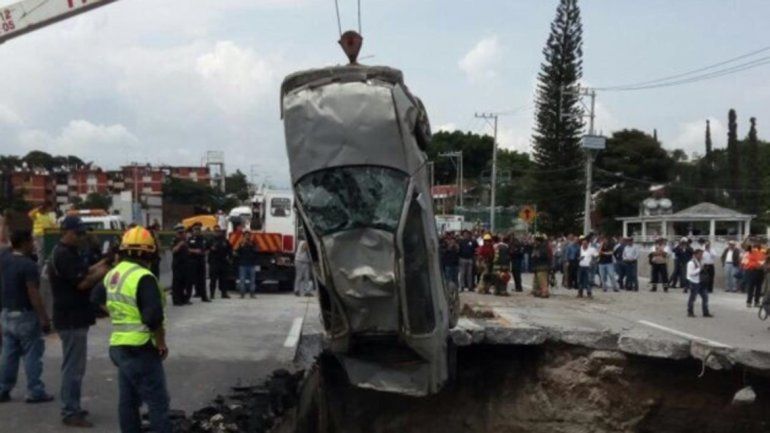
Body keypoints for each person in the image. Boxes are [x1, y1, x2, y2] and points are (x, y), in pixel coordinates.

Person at [92, 226, 171, 433]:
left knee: (128, 400)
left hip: (119, 347)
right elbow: (153, 318)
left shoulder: (113, 274)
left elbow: (96, 298)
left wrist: (118, 314)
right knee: (158, 402)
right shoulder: (144, 277)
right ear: (150, 253)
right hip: (141, 347)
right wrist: (161, 344)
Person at [49, 216, 109, 427]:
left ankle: (72, 406)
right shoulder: (64, 254)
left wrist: (105, 261)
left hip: (74, 317)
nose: (81, 237)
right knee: (73, 368)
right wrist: (106, 271)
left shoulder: (69, 253)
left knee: (74, 367)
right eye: (78, 233)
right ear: (67, 232)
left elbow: (86, 271)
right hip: (71, 318)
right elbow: (83, 283)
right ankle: (70, 410)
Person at [0, 230, 53, 404]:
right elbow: (33, 293)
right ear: (24, 243)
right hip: (25, 315)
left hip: (7, 313)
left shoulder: (5, 259)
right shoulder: (28, 265)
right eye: (31, 241)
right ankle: (34, 390)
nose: (34, 244)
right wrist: (44, 318)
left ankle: (3, 388)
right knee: (32, 354)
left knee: (9, 354)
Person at [186, 223, 210, 303]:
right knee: (190, 280)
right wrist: (194, 251)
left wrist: (206, 252)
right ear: (193, 230)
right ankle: (187, 297)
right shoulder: (190, 239)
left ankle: (204, 296)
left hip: (201, 261)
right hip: (192, 261)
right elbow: (186, 249)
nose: (197, 231)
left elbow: (208, 248)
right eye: (195, 229)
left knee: (202, 280)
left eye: (198, 229)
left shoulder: (203, 239)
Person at [207, 226, 232, 300]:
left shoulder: (224, 240)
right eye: (216, 231)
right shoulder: (210, 240)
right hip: (214, 262)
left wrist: (230, 258)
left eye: (218, 231)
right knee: (213, 279)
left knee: (224, 279)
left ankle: (224, 293)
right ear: (214, 232)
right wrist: (211, 249)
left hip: (223, 262)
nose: (217, 232)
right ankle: (212, 294)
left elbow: (230, 249)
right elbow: (205, 249)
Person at [686, 248, 712, 318]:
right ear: (695, 255)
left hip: (701, 282)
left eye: (702, 254)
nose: (701, 256)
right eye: (700, 254)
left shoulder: (700, 262)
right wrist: (699, 269)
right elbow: (691, 273)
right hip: (694, 282)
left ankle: (705, 312)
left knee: (705, 297)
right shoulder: (691, 263)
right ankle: (690, 312)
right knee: (693, 298)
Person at [235, 231, 259, 298]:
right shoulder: (241, 243)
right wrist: (241, 245)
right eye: (246, 235)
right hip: (243, 264)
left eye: (248, 235)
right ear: (243, 236)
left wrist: (251, 245)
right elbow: (236, 252)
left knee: (252, 280)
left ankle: (252, 293)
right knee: (242, 280)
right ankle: (242, 294)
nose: (247, 237)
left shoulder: (253, 243)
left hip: (251, 264)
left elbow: (256, 251)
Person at [742, 242, 766, 308]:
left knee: (759, 287)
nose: (760, 244)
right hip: (752, 271)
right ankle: (749, 302)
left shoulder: (764, 251)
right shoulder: (751, 250)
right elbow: (743, 245)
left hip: (761, 272)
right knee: (751, 287)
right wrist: (746, 239)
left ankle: (756, 302)